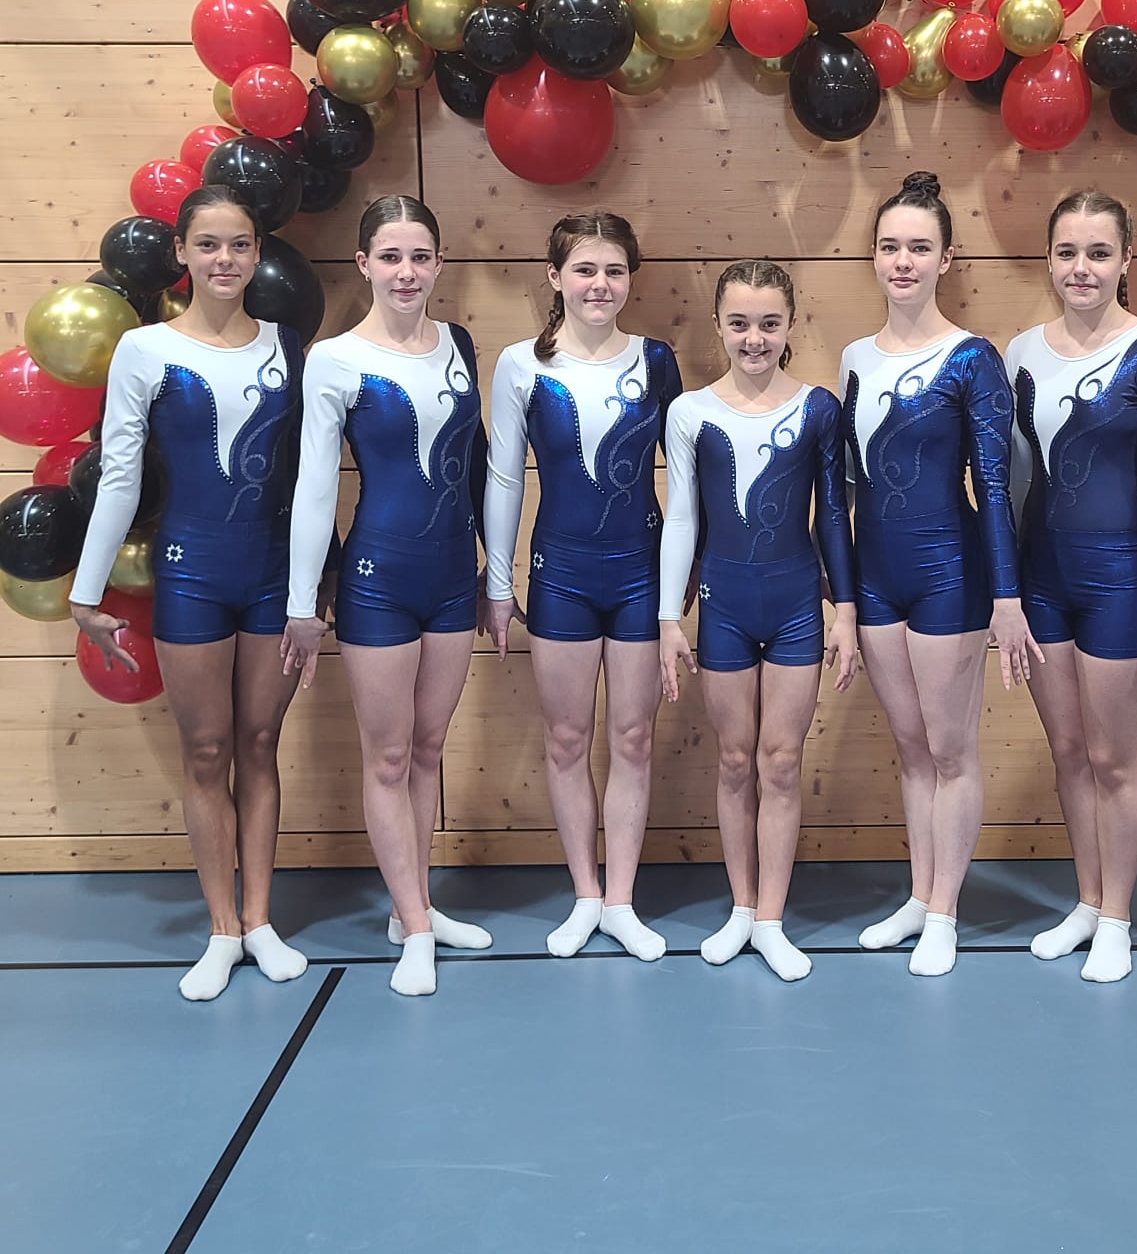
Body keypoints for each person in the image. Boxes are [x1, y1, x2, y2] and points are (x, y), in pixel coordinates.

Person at [70, 185, 323, 1002]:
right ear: (180, 252)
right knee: (207, 749)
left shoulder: (289, 347)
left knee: (260, 742)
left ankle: (260, 920)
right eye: (208, 244)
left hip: (272, 575)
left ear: (258, 253)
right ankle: (220, 930)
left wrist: (313, 587)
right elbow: (119, 475)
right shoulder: (145, 350)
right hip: (190, 573)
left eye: (240, 244)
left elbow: (312, 479)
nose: (225, 259)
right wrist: (85, 591)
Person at [282, 195, 491, 998]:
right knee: (391, 754)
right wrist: (303, 602)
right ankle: (415, 927)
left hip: (452, 578)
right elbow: (312, 490)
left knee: (429, 748)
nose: (408, 272)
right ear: (363, 263)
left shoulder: (459, 344)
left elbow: (477, 469)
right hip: (379, 579)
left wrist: (494, 573)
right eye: (392, 257)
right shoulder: (335, 359)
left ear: (439, 263)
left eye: (421, 257)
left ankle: (417, 910)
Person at [841, 171, 1039, 977]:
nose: (903, 261)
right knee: (912, 748)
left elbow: (993, 483)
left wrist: (1006, 594)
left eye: (919, 248)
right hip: (877, 575)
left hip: (949, 573)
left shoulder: (972, 358)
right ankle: (920, 897)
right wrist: (842, 594)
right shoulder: (855, 357)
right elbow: (849, 484)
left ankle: (946, 913)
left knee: (951, 750)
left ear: (947, 259)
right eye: (890, 246)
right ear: (873, 256)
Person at [1001, 190, 1137, 984]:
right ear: (1049, 260)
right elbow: (1009, 481)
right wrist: (1006, 590)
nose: (1081, 268)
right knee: (1069, 750)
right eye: (1068, 253)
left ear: (1125, 261)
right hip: (1042, 577)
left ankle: (1118, 917)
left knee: (1113, 756)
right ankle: (1086, 901)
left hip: (1119, 576)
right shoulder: (1019, 353)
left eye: (1098, 253)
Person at [483, 213, 682, 961]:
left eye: (614, 271)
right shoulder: (521, 366)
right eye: (585, 270)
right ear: (555, 276)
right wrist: (498, 583)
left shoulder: (656, 361)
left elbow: (686, 482)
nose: (601, 285)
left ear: (631, 279)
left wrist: (680, 585)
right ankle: (585, 895)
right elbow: (505, 477)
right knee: (567, 738)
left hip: (639, 573)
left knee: (633, 737)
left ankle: (622, 900)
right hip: (560, 573)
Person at [659, 260, 859, 981]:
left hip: (798, 601)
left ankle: (771, 918)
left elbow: (832, 513)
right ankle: (741, 908)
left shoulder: (817, 409)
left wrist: (845, 610)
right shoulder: (690, 413)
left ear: (790, 325)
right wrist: (667, 617)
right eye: (740, 323)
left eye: (770, 324)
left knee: (780, 761)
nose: (755, 338)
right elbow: (683, 516)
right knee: (737, 759)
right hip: (724, 604)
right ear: (718, 325)